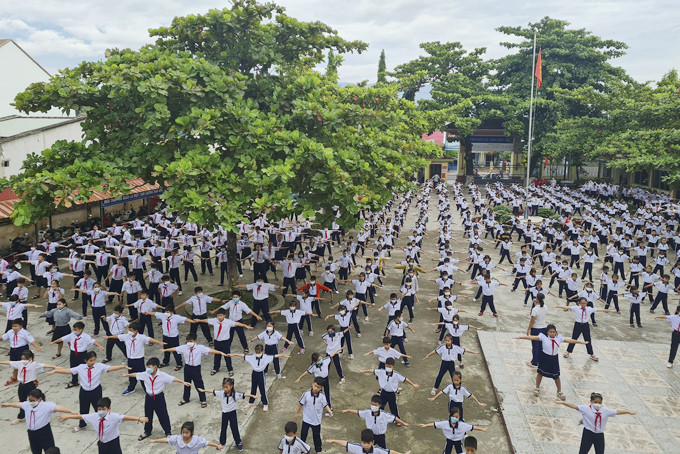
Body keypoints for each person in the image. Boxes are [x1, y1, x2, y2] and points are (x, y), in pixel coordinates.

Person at [47, 351, 128, 431]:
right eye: (91, 361)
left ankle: (103, 424)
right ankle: (82, 425)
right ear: (86, 361)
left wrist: (121, 367)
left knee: (99, 409)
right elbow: (69, 371)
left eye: (94, 360)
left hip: (96, 390)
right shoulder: (80, 367)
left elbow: (110, 368)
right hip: (84, 391)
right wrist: (56, 371)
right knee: (83, 409)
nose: (93, 362)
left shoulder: (99, 366)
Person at [122, 357, 191, 441]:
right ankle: (147, 431)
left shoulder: (162, 375)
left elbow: (173, 379)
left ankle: (168, 432)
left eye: (149, 367)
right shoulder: (145, 374)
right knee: (148, 415)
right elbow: (136, 374)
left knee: (163, 415)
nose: (148, 369)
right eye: (147, 367)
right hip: (149, 397)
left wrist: (183, 382)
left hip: (159, 397)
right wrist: (127, 375)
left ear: (155, 367)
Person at [514, 324, 589, 399]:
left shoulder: (558, 338)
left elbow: (569, 340)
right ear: (547, 332)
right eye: (550, 332)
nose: (552, 333)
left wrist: (581, 342)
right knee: (540, 373)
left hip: (554, 359)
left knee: (556, 376)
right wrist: (521, 337)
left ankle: (559, 391)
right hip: (545, 357)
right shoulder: (543, 337)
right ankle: (537, 388)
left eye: (554, 332)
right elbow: (532, 337)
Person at [58, 397, 148, 454]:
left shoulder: (113, 416)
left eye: (103, 409)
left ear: (109, 409)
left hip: (113, 443)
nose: (100, 411)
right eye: (99, 409)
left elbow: (125, 417)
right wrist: (68, 416)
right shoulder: (94, 416)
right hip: (102, 443)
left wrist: (139, 419)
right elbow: (81, 416)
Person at [0, 388, 78, 454]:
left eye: (33, 400)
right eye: (29, 400)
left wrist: (70, 411)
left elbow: (58, 408)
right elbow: (19, 404)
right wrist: (8, 404)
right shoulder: (27, 404)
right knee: (35, 451)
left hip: (44, 432)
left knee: (50, 451)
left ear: (40, 399)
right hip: (32, 433)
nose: (31, 402)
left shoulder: (46, 406)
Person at [554, 392, 636, 454]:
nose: (598, 404)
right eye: (596, 402)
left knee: (600, 452)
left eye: (600, 403)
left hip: (599, 435)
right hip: (588, 433)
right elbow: (574, 406)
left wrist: (628, 412)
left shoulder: (605, 411)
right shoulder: (586, 409)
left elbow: (617, 411)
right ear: (591, 401)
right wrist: (562, 402)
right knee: (583, 452)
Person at [160, 333, 226, 408]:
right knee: (186, 383)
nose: (189, 343)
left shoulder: (200, 348)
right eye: (188, 341)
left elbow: (211, 351)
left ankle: (203, 399)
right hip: (187, 367)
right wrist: (165, 350)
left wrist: (220, 352)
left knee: (199, 384)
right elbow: (174, 348)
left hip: (196, 368)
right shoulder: (184, 347)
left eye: (190, 341)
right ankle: (186, 399)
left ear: (195, 340)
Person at [104, 321, 165, 395]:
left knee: (143, 375)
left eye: (131, 330)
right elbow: (117, 336)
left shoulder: (141, 337)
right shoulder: (126, 336)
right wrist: (108, 337)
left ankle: (147, 389)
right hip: (130, 359)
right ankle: (131, 388)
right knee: (131, 374)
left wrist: (159, 342)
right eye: (129, 330)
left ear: (136, 331)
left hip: (139, 360)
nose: (129, 331)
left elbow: (150, 339)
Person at [199, 377, 258, 451]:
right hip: (225, 413)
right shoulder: (221, 393)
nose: (225, 389)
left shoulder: (235, 394)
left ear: (231, 386)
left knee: (234, 428)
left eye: (227, 387)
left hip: (232, 413)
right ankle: (222, 442)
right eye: (224, 387)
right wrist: (204, 390)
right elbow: (213, 391)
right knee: (223, 428)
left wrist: (252, 396)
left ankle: (238, 442)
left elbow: (244, 394)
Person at [227, 343, 289, 412]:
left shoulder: (266, 357)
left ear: (262, 351)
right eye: (256, 352)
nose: (257, 353)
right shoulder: (252, 356)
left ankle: (265, 403)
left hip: (261, 374)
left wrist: (283, 355)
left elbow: (275, 356)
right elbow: (243, 355)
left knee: (262, 389)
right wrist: (233, 354)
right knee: (253, 388)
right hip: (254, 373)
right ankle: (251, 402)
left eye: (259, 352)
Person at [0, 350, 57, 424]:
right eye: (22, 359)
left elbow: (44, 365)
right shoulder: (20, 363)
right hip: (22, 384)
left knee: (36, 400)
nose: (23, 361)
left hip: (30, 384)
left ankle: (44, 414)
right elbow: (9, 362)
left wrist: (54, 367)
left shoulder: (34, 364)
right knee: (21, 401)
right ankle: (21, 416)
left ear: (30, 358)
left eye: (25, 359)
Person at [195, 308, 253, 377]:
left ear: (224, 315)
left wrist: (245, 326)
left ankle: (230, 369)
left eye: (221, 315)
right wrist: (199, 320)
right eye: (218, 315)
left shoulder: (228, 322)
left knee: (227, 355)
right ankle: (215, 368)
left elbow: (237, 323)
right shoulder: (214, 321)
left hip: (225, 342)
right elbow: (206, 320)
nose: (219, 317)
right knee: (217, 355)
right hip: (217, 341)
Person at [555, 297, 617, 361]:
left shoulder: (589, 309)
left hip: (585, 325)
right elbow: (567, 307)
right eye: (581, 303)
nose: (583, 304)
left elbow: (600, 309)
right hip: (578, 325)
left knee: (588, 339)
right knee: (574, 338)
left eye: (584, 303)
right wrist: (557, 306)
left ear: (586, 303)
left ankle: (591, 354)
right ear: (579, 303)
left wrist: (611, 310)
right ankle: (568, 351)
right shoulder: (576, 308)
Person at [339, 395, 410, 449]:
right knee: (367, 449)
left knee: (383, 450)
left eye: (375, 405)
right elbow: (357, 412)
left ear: (379, 405)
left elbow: (395, 418)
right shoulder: (367, 412)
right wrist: (347, 410)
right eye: (372, 404)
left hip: (381, 437)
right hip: (370, 435)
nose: (373, 406)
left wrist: (404, 423)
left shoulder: (384, 415)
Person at [49, 321, 104, 388]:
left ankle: (87, 381)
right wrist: (54, 342)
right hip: (73, 353)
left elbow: (93, 341)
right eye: (74, 329)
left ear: (81, 329)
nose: (74, 331)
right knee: (73, 367)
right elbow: (63, 338)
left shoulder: (86, 336)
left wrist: (99, 346)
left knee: (85, 368)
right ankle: (74, 381)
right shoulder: (72, 334)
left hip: (82, 354)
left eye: (76, 330)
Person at [418, 407, 487, 454]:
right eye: (453, 416)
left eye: (456, 417)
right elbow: (435, 424)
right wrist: (425, 425)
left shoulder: (462, 425)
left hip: (458, 441)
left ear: (459, 417)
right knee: (447, 452)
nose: (455, 418)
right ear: (450, 415)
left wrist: (482, 429)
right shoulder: (445, 424)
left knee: (460, 452)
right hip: (449, 441)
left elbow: (472, 427)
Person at [293, 377, 333, 454]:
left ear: (321, 388)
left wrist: (330, 411)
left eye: (318, 387)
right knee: (303, 435)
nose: (316, 388)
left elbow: (325, 405)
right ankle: (302, 449)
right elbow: (300, 404)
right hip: (306, 419)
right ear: (312, 384)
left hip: (316, 421)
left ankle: (318, 450)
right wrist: (296, 413)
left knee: (316, 436)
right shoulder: (306, 394)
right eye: (315, 386)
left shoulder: (322, 396)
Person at [2, 320, 44, 385]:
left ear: (20, 326)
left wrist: (37, 347)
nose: (14, 328)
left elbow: (31, 340)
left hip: (23, 349)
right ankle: (14, 377)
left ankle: (33, 379)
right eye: (13, 326)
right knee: (14, 364)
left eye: (16, 326)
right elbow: (3, 337)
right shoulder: (10, 332)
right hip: (13, 350)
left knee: (28, 365)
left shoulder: (25, 333)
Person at [148, 421, 223, 452]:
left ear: (192, 432)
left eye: (187, 433)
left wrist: (217, 445)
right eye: (183, 432)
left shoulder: (197, 440)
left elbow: (207, 443)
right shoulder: (177, 439)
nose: (184, 435)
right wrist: (154, 441)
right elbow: (167, 440)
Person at [326, 429, 412, 454]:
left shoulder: (377, 450)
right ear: (361, 442)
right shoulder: (357, 448)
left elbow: (389, 452)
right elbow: (345, 443)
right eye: (364, 443)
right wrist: (333, 441)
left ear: (372, 442)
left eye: (368, 443)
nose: (366, 445)